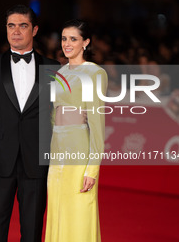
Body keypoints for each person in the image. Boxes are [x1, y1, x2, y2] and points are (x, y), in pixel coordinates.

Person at [0, 5, 59, 242]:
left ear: (35, 30)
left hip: (37, 162)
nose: (16, 31)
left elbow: (61, 119)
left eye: (23, 25)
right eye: (11, 25)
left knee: (32, 231)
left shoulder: (54, 68)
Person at [45, 19, 108, 242]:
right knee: (57, 209)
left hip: (79, 149)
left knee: (79, 212)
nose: (67, 44)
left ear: (86, 42)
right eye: (64, 39)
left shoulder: (94, 73)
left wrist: (92, 169)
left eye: (73, 39)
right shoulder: (59, 72)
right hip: (57, 151)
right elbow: (53, 116)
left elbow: (97, 124)